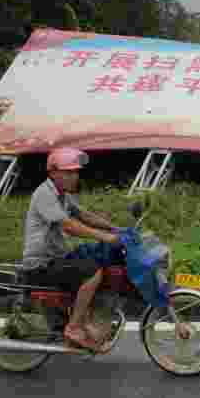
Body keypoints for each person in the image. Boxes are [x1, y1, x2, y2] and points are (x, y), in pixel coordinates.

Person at [21, 147, 124, 352]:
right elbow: (68, 225)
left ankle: (87, 317)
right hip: (42, 264)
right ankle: (74, 328)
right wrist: (105, 236)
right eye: (68, 172)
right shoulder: (45, 194)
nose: (73, 177)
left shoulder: (61, 194)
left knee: (99, 256)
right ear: (53, 173)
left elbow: (82, 215)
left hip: (57, 257)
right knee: (93, 271)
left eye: (76, 172)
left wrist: (117, 229)